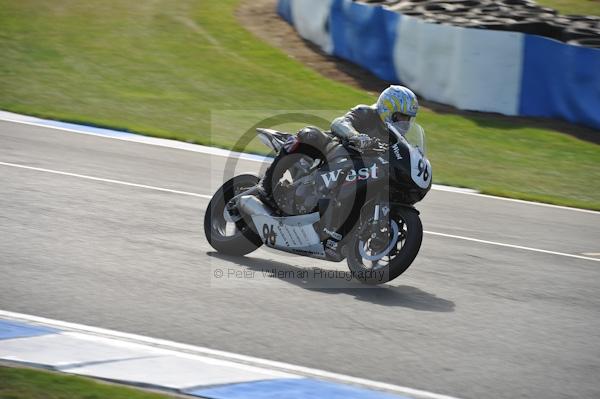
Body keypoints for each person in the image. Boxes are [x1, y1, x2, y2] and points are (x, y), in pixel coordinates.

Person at [259, 85, 419, 206]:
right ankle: (266, 187)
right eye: (401, 117)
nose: (405, 123)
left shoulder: (395, 137)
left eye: (408, 119)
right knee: (309, 133)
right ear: (388, 109)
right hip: (333, 151)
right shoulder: (366, 113)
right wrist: (355, 136)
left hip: (360, 169)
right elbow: (339, 123)